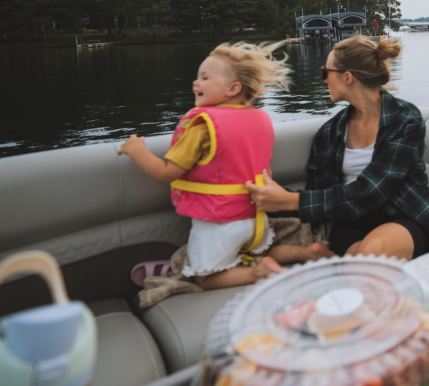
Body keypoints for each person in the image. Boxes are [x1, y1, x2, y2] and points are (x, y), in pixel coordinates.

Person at [119, 41, 330, 290]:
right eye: (198, 77)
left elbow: (166, 173)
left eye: (205, 77)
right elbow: (266, 171)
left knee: (204, 277)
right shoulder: (260, 119)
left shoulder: (201, 127)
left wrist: (136, 150)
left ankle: (259, 274)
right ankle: (307, 253)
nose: (196, 82)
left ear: (233, 88)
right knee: (260, 251)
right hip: (256, 219)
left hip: (219, 221)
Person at [247, 35, 429, 260]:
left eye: (325, 72)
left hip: (402, 215)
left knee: (372, 253)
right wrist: (271, 196)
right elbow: (319, 192)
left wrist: (289, 200)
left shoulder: (405, 120)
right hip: (346, 222)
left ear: (347, 77)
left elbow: (369, 192)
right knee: (361, 266)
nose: (323, 80)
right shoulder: (328, 133)